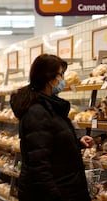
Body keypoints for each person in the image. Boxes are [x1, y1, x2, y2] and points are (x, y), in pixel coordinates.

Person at [10, 54, 94, 201]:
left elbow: (49, 143)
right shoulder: (37, 112)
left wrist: (76, 143)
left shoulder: (50, 106)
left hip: (66, 187)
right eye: (61, 75)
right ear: (50, 79)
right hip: (55, 192)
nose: (63, 79)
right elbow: (39, 165)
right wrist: (55, 196)